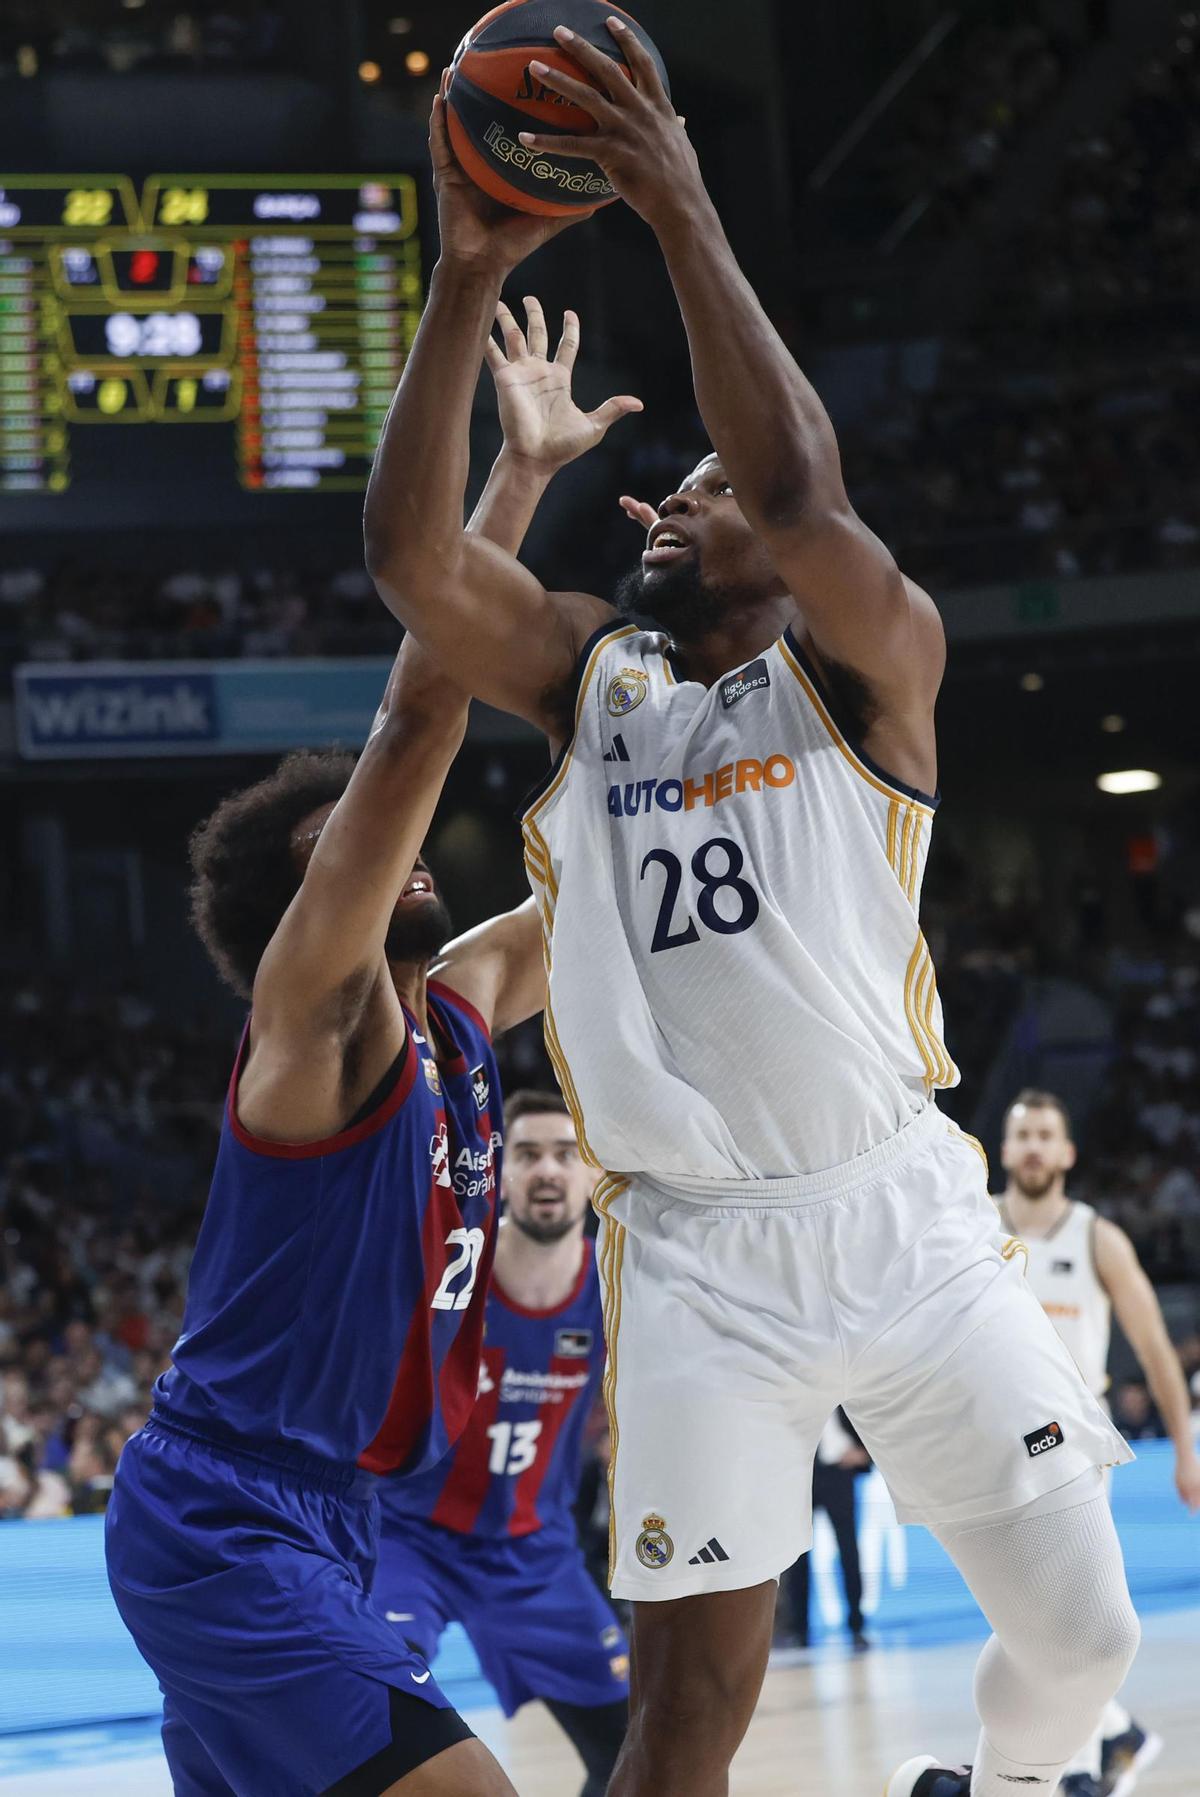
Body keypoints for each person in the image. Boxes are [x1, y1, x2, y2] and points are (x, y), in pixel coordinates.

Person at [363, 27, 1139, 1797]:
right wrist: (463, 267)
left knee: (1088, 1641)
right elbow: (413, 569)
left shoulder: (879, 672)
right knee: (687, 1728)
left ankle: (1013, 1785)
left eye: (693, 487)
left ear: (791, 563)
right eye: (664, 482)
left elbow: (798, 489)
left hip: (908, 1215)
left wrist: (676, 195)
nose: (657, 494)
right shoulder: (589, 677)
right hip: (704, 1254)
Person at [103, 629, 547, 1797]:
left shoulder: (461, 1008)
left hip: (338, 1514)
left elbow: (596, 889)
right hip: (226, 1513)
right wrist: (517, 479)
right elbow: (415, 730)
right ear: (301, 915)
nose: (390, 846)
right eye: (346, 842)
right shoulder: (314, 1036)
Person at [374, 1089, 629, 1797]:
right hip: (409, 1536)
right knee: (368, 1715)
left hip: (535, 1551)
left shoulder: (617, 1284)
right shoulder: (453, 1264)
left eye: (564, 1153)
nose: (547, 1169)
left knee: (638, 1753)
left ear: (589, 1171)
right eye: (527, 1154)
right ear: (502, 1170)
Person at [999, 1088, 1200, 1797]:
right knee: (1028, 1620)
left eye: (1045, 1134)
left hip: (1075, 1443)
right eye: (1022, 1133)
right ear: (1003, 1148)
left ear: (1067, 1151)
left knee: (1068, 1617)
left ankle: (1081, 1771)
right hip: (993, 1444)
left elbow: (1152, 1345)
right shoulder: (970, 1226)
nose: (1032, 1146)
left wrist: (1184, 1448)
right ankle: (1118, 1731)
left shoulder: (1096, 1236)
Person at [782, 1411, 870, 1651]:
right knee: (797, 1556)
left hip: (838, 1471)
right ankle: (798, 1630)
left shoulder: (840, 1380)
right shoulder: (790, 1388)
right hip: (799, 1476)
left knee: (849, 1551)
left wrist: (865, 1452)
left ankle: (857, 1626)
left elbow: (868, 1413)